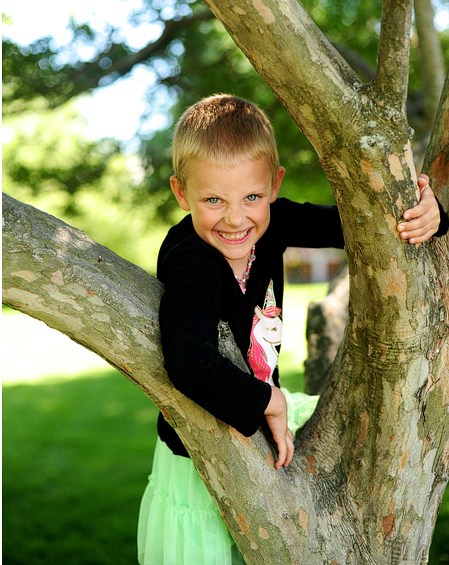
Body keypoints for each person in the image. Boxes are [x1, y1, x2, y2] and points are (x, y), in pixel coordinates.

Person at [136, 95, 448, 565]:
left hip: (258, 427)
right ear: (182, 193)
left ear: (274, 186)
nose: (236, 218)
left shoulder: (273, 223)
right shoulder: (192, 262)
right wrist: (270, 400)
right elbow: (189, 362)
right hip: (199, 460)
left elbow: (360, 223)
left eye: (252, 197)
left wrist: (433, 215)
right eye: (213, 200)